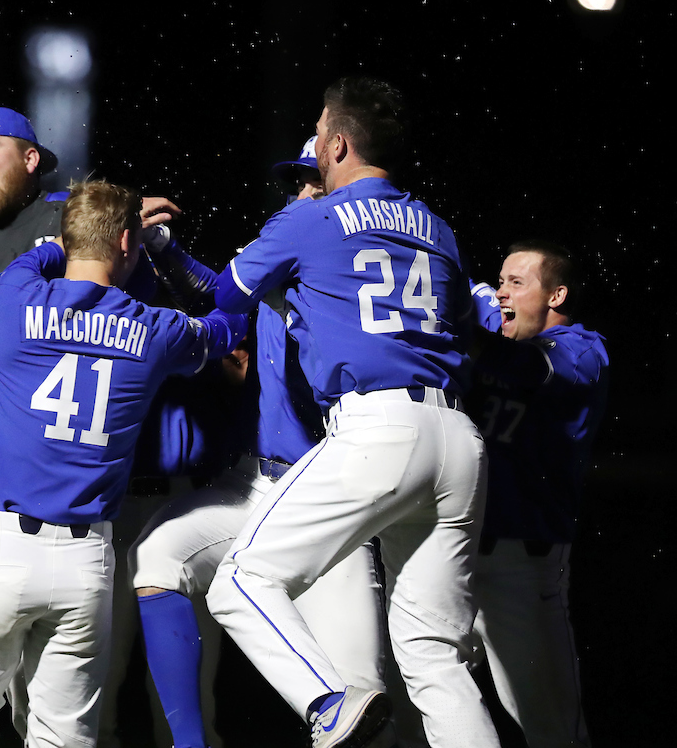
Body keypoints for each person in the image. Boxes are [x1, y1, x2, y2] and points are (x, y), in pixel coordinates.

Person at [205, 77, 501, 748]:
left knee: (243, 581)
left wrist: (289, 288)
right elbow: (463, 326)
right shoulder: (438, 227)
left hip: (379, 429)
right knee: (432, 658)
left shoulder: (312, 217)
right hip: (457, 436)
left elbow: (228, 292)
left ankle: (329, 703)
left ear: (336, 144)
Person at [0, 106, 191, 741]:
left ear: (32, 159)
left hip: (62, 477)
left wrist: (144, 241)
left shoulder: (73, 215)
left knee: (44, 695)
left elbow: (137, 283)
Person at [0, 179, 245, 747]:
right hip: (84, 562)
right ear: (128, 242)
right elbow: (229, 324)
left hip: (1, 544)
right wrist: (162, 248)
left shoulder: (13, 297)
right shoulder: (155, 329)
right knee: (65, 737)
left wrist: (67, 241)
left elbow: (37, 258)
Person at [128, 138, 388, 748]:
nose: (302, 193)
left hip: (331, 491)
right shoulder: (288, 254)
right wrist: (165, 253)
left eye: (314, 181)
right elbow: (219, 294)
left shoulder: (344, 271)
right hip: (254, 482)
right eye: (297, 182)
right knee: (157, 555)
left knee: (362, 708)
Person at [466, 241, 608, 747]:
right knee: (416, 700)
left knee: (551, 730)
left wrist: (469, 331)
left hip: (522, 564)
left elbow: (531, 370)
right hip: (454, 554)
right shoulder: (494, 323)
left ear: (557, 294)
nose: (503, 292)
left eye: (517, 283)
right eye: (500, 281)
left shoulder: (584, 348)